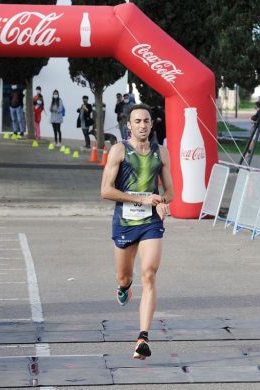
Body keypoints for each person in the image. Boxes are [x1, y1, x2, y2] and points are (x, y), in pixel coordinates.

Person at [100, 103, 173, 360]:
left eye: (146, 121)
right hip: (125, 222)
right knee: (124, 277)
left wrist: (162, 202)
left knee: (150, 274)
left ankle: (143, 337)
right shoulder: (119, 151)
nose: (142, 125)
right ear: (128, 125)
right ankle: (124, 287)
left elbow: (170, 192)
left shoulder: (161, 153)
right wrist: (140, 199)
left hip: (151, 223)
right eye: (137, 121)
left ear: (152, 124)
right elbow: (106, 190)